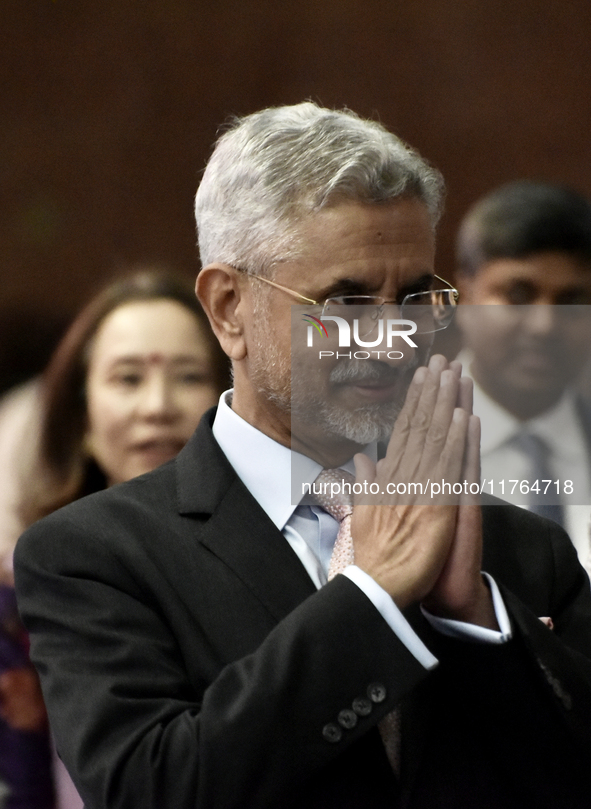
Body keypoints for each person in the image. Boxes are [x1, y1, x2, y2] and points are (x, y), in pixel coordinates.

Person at [14, 104, 591, 808]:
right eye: (345, 301)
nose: (390, 339)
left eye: (413, 297)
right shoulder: (93, 555)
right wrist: (371, 598)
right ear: (228, 307)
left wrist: (476, 620)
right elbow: (155, 788)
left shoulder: (521, 550)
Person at [3, 268, 228, 809]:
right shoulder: (15, 615)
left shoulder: (287, 564)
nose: (157, 406)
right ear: (82, 416)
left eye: (190, 376)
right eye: (128, 378)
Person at [455, 180, 591, 575]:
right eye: (518, 294)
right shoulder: (386, 447)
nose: (545, 325)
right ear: (465, 293)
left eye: (571, 301)